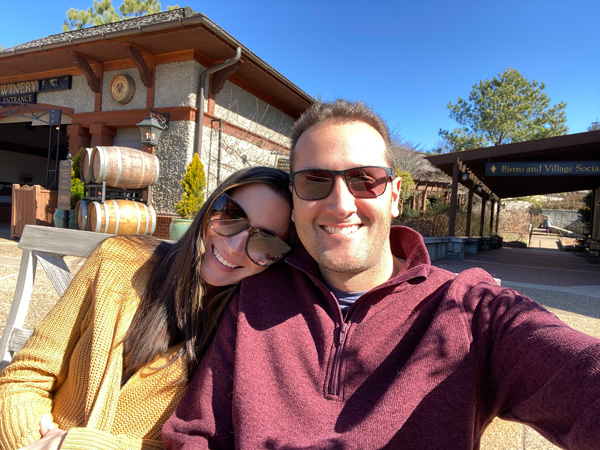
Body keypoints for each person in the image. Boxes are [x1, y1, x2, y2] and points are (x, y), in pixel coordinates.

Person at [162, 99, 600, 450]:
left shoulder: (469, 309)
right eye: (315, 182)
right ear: (294, 200)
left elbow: (579, 378)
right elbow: (196, 433)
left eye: (364, 180)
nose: (339, 204)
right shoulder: (255, 297)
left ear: (394, 195)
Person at [0, 166, 295, 450]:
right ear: (209, 208)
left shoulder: (248, 336)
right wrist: (34, 444)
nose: (234, 245)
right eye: (232, 214)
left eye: (266, 242)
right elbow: (25, 378)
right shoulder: (116, 260)